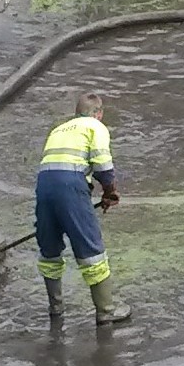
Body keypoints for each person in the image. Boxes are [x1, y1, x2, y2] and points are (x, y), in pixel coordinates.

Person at [35, 92, 131, 328]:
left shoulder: (59, 129)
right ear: (99, 113)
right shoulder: (95, 127)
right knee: (91, 249)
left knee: (49, 249)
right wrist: (109, 192)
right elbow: (103, 165)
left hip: (44, 187)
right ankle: (106, 311)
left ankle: (55, 308)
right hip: (71, 186)